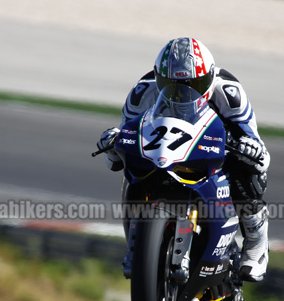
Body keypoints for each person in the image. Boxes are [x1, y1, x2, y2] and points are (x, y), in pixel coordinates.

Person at [96, 37, 270, 282]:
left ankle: (256, 241)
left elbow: (259, 151)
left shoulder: (229, 93)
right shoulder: (142, 92)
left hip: (213, 148)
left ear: (209, 77)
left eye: (194, 84)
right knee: (131, 168)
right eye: (171, 85)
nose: (181, 92)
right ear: (159, 79)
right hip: (165, 150)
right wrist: (113, 144)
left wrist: (249, 148)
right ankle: (137, 241)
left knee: (250, 168)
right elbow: (116, 158)